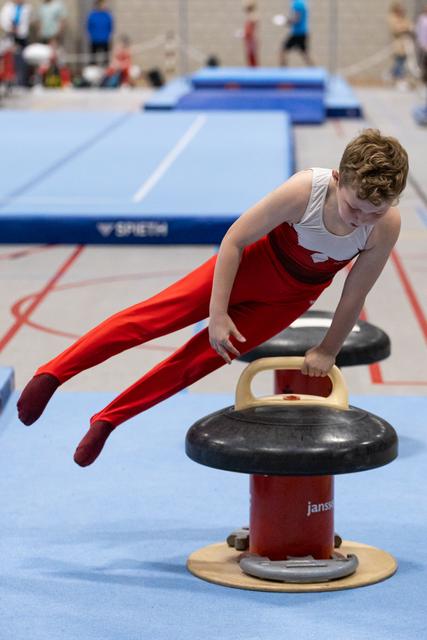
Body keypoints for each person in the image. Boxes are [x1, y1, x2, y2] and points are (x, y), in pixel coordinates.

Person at [17, 129, 408, 468]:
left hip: (289, 300)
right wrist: (217, 313)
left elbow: (355, 292)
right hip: (247, 268)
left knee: (197, 362)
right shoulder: (306, 191)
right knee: (151, 318)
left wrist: (328, 349)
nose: (360, 219)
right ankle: (53, 374)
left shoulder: (383, 227)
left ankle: (108, 420)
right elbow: (234, 241)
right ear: (339, 179)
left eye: (374, 213)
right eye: (354, 207)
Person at [0, 0, 32, 86]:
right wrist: (11, 27)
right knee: (9, 59)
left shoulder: (27, 8)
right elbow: (3, 21)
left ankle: (22, 82)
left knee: (22, 59)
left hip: (22, 37)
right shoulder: (7, 8)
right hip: (9, 35)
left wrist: (18, 29)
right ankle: (9, 81)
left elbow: (27, 22)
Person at [280, 0, 314, 66]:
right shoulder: (301, 2)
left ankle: (283, 73)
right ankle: (314, 69)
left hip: (298, 33)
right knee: (305, 55)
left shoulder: (297, 4)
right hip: (301, 32)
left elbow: (296, 19)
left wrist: (286, 21)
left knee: (283, 51)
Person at [387, 3, 413, 87]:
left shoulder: (404, 18)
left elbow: (411, 26)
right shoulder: (392, 18)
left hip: (405, 44)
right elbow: (396, 29)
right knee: (399, 62)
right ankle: (398, 79)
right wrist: (405, 28)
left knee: (402, 62)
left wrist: (407, 27)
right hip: (398, 44)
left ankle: (392, 75)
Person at [86, 0, 114, 66]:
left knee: (105, 59)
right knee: (93, 59)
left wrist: (108, 36)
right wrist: (92, 36)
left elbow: (111, 27)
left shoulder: (107, 15)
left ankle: (106, 71)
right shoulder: (92, 15)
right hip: (94, 40)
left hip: (105, 40)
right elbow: (89, 27)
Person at [243, 2, 258, 67]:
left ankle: (254, 73)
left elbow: (250, 31)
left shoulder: (252, 17)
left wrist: (245, 34)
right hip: (249, 39)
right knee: (250, 57)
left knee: (252, 57)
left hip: (251, 40)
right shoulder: (250, 17)